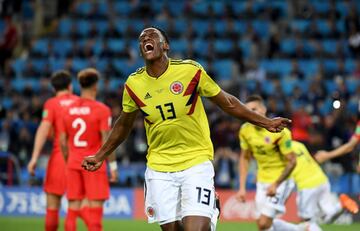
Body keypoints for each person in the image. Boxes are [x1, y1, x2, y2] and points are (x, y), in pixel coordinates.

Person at [81, 27, 291, 231]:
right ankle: (210, 211)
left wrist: (266, 122)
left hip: (195, 161)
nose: (146, 38)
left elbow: (227, 102)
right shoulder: (133, 84)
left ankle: (209, 214)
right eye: (142, 38)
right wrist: (101, 155)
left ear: (165, 46)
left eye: (152, 35)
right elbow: (123, 125)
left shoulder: (190, 71)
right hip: (159, 167)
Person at [59, 68, 118, 231]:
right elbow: (107, 141)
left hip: (73, 163)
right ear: (95, 87)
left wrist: (68, 160)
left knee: (72, 209)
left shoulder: (67, 109)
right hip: (94, 164)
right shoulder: (101, 109)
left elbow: (62, 141)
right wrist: (113, 167)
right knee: (95, 213)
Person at [236, 95, 302, 231]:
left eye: (254, 109)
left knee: (263, 223)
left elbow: (292, 161)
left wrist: (276, 184)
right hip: (262, 181)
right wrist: (242, 187)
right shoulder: (245, 130)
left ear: (264, 109)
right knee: (265, 225)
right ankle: (303, 229)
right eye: (247, 110)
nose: (251, 113)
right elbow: (245, 158)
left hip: (281, 181)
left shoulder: (279, 132)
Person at [27, 70, 79, 231]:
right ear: (70, 86)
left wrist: (34, 157)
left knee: (52, 205)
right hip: (78, 159)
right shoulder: (80, 102)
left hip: (59, 158)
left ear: (54, 88)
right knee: (73, 208)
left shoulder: (52, 103)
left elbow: (43, 129)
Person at [291, 141, 358, 231]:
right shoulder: (299, 145)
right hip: (321, 179)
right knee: (327, 216)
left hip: (306, 184)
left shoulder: (281, 149)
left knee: (305, 221)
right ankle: (341, 205)